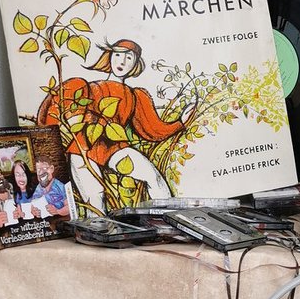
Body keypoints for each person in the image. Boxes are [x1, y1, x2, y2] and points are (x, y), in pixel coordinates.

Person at [38, 38, 194, 210]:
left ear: (136, 64)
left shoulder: (135, 96)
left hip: (114, 147)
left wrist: (180, 123)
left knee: (153, 176)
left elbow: (153, 129)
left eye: (129, 57)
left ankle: (169, 217)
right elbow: (55, 114)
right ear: (110, 56)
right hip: (82, 148)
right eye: (118, 55)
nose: (122, 61)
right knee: (94, 197)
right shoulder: (86, 87)